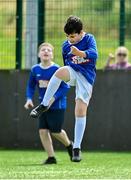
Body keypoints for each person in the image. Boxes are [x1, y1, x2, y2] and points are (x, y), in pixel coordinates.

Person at [30, 16, 98, 162]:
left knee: (80, 111)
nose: (70, 39)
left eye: (73, 36)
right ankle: (44, 105)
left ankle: (76, 148)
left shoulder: (89, 39)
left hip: (86, 78)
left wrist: (80, 53)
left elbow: (94, 54)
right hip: (73, 72)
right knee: (60, 71)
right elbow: (67, 62)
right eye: (67, 36)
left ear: (81, 33)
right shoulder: (65, 45)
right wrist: (68, 77)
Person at [24, 42, 73, 165]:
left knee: (56, 131)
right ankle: (51, 157)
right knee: (42, 131)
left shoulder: (57, 69)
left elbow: (65, 87)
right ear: (38, 54)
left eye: (49, 50)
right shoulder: (35, 69)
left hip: (57, 105)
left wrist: (53, 98)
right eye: (43, 50)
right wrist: (29, 98)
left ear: (52, 55)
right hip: (43, 106)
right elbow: (30, 85)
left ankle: (69, 145)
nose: (46, 52)